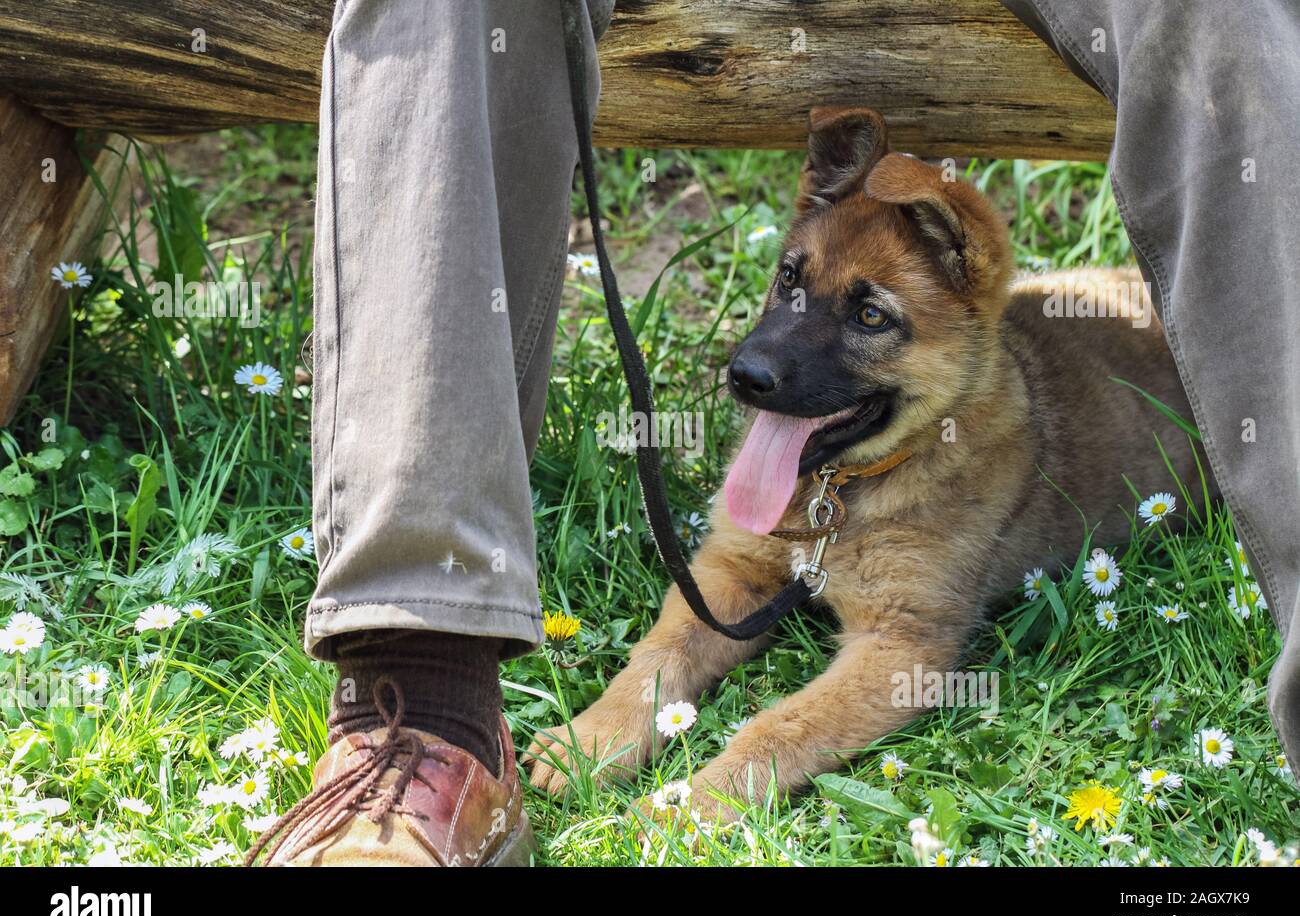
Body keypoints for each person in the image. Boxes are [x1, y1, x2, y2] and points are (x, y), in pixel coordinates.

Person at [250, 0, 1300, 866]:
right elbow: (736, 570)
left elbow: (904, 648)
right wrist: (625, 713)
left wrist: (754, 756)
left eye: (867, 320)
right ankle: (420, 693)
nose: (765, 357)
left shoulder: (983, 435)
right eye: (792, 281)